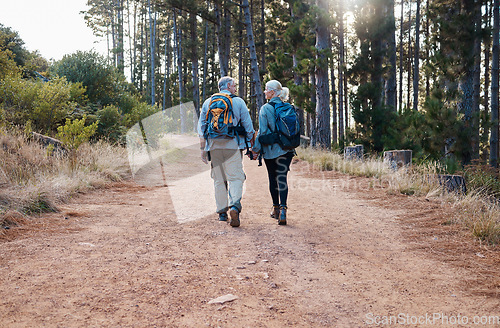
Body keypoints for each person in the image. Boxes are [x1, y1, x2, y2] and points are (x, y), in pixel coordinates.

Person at [197, 76, 255, 227]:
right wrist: (251, 145)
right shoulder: (238, 101)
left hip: (214, 146)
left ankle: (222, 213)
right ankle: (234, 206)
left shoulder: (207, 102)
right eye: (234, 86)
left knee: (218, 179)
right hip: (233, 146)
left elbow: (201, 129)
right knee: (235, 177)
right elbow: (248, 127)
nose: (235, 88)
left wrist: (203, 150)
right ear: (228, 86)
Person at [251, 80, 295, 225]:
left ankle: (276, 208)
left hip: (271, 150)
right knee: (282, 178)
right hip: (287, 149)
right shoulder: (288, 106)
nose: (264, 92)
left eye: (266, 89)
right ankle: (284, 209)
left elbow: (262, 132)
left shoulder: (265, 108)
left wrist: (255, 150)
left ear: (272, 92)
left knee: (272, 178)